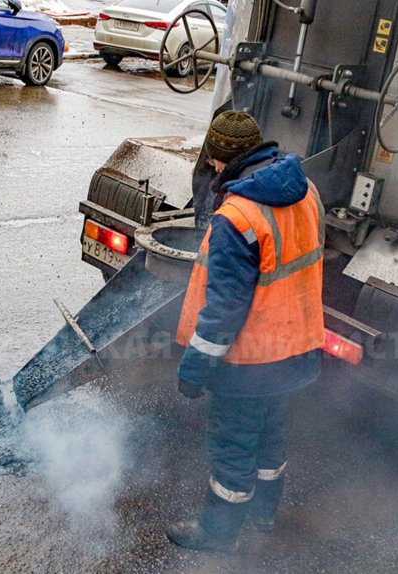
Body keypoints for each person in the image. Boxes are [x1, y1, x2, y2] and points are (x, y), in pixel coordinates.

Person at [168, 111, 324, 552]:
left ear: (221, 160)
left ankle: (216, 534)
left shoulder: (236, 217)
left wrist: (194, 369)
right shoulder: (307, 190)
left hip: (250, 361)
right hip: (295, 348)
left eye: (214, 161)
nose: (214, 169)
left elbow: (224, 309)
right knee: (270, 436)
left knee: (233, 444)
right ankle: (264, 515)